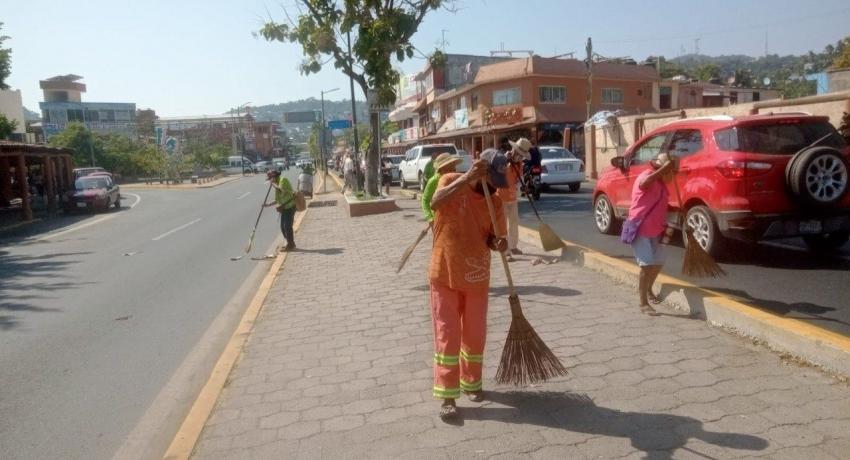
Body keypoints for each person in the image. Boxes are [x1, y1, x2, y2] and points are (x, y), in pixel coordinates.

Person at [428, 148, 509, 421]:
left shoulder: (494, 202)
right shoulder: (450, 179)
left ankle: (472, 383)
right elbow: (435, 203)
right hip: (445, 273)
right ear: (480, 169)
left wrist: (499, 243)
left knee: (475, 335)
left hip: (477, 276)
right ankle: (447, 395)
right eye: (491, 179)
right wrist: (466, 179)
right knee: (447, 335)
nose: (494, 187)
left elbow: (495, 238)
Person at [627, 153, 678, 316]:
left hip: (656, 229)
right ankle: (643, 303)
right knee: (646, 265)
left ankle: (648, 288)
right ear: (660, 168)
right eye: (670, 171)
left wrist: (675, 209)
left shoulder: (662, 185)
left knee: (659, 261)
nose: (671, 175)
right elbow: (644, 184)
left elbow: (659, 203)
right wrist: (664, 169)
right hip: (640, 227)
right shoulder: (647, 175)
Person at [503, 138, 532, 259]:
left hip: (513, 197)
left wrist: (523, 187)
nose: (521, 158)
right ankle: (505, 251)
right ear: (514, 151)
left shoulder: (519, 164)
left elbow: (519, 179)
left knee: (514, 223)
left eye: (522, 156)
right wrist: (506, 161)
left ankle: (513, 246)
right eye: (520, 155)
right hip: (501, 197)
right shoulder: (503, 160)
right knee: (502, 225)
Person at [421, 152, 462, 224]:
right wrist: (429, 217)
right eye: (449, 167)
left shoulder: (456, 178)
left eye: (453, 166)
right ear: (441, 169)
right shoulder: (433, 181)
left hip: (456, 218)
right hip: (439, 220)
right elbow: (425, 201)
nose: (453, 169)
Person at [264, 170, 297, 251]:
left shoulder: (282, 180)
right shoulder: (277, 183)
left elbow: (281, 190)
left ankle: (291, 244)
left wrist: (273, 184)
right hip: (284, 208)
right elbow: (277, 200)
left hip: (290, 206)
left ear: (274, 176)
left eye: (270, 179)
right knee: (283, 227)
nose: (270, 181)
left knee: (287, 227)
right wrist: (267, 205)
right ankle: (289, 243)